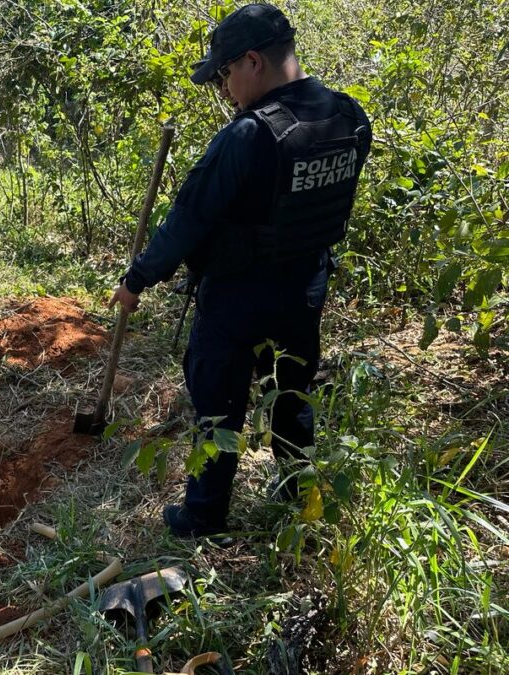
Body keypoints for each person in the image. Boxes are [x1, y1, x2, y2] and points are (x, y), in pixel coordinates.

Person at [109, 4, 371, 537]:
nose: (226, 89)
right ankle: (301, 498)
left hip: (239, 297)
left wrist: (136, 279)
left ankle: (204, 515)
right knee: (292, 396)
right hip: (305, 290)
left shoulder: (249, 136)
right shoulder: (349, 115)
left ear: (253, 61)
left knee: (217, 404)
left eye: (226, 73)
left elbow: (188, 221)